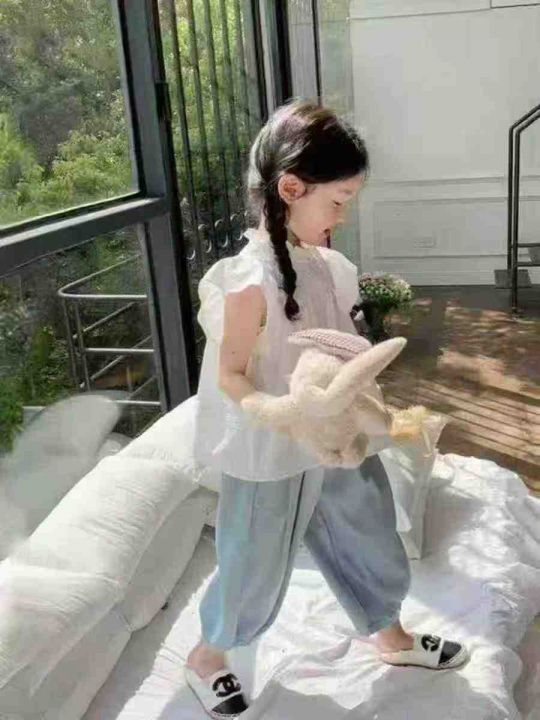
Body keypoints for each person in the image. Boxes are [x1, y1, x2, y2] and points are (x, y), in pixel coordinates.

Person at [184, 99, 469, 719]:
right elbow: (230, 374)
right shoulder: (247, 280)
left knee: (368, 528)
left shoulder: (332, 268)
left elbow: (340, 350)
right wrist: (275, 410)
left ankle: (388, 634)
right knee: (252, 559)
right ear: (291, 189)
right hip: (270, 443)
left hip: (334, 435)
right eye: (338, 201)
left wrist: (370, 410)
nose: (343, 215)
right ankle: (208, 655)